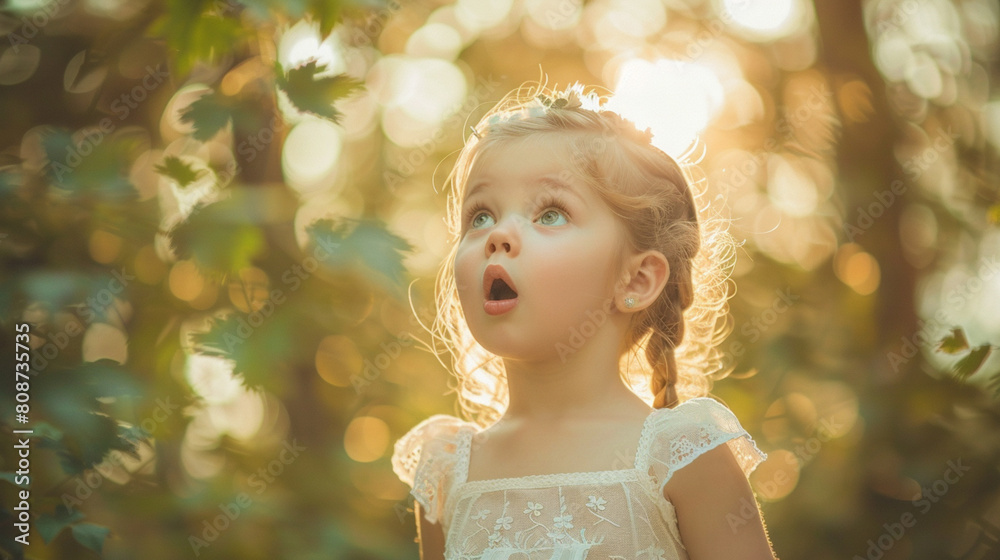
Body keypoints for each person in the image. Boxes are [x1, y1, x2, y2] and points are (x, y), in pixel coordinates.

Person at [391, 80, 777, 559]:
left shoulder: (682, 457)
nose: (498, 236)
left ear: (635, 281)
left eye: (550, 214)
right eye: (480, 215)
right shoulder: (447, 472)